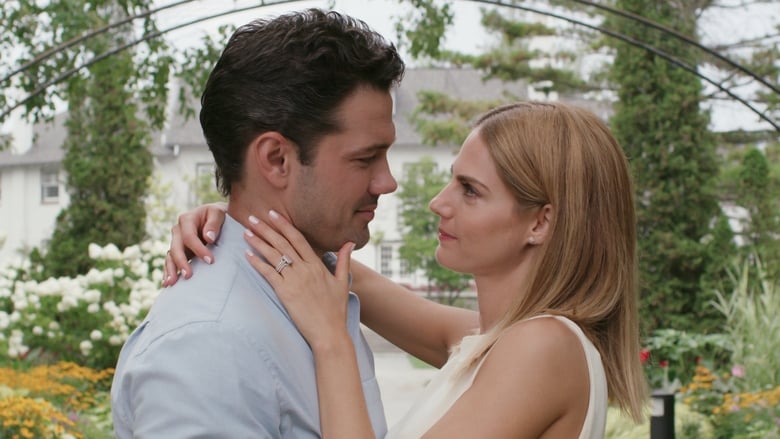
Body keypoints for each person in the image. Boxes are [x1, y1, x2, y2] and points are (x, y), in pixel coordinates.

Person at [167, 101, 649, 437]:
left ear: (540, 222)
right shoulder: (494, 342)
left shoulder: (544, 348)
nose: (439, 203)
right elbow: (337, 272)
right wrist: (239, 216)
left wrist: (331, 341)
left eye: (470, 190)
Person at [110, 8, 405, 438]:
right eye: (365, 159)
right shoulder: (206, 347)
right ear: (276, 159)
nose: (387, 182)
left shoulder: (316, 288)